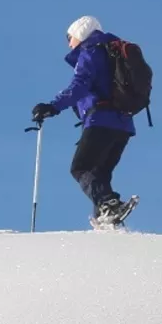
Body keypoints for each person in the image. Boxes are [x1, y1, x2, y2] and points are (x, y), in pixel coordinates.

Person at [31, 15, 139, 229]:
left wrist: (52, 107)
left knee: (81, 167)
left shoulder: (90, 52)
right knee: (99, 173)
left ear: (80, 34)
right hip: (123, 124)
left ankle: (109, 205)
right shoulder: (111, 53)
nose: (68, 43)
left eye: (69, 37)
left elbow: (78, 86)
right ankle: (107, 219)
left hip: (101, 120)